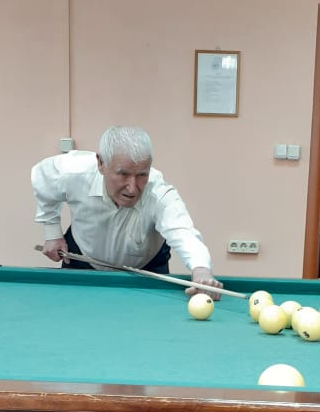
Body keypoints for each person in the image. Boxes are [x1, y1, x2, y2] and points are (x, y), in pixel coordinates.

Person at [32, 125, 222, 297]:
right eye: (123, 174)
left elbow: (183, 232)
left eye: (142, 175)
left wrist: (201, 269)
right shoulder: (73, 172)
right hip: (81, 260)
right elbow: (43, 178)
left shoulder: (159, 194)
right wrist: (52, 233)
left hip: (147, 269)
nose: (132, 188)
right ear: (101, 163)